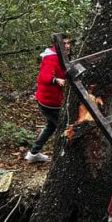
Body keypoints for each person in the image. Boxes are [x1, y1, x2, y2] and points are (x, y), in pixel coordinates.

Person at [25, 35, 70, 163]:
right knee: (65, 128)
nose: (66, 46)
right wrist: (56, 80)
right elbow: (43, 76)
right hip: (50, 103)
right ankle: (62, 157)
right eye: (64, 43)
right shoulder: (51, 57)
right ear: (55, 45)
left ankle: (33, 154)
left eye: (68, 43)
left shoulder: (60, 56)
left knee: (51, 126)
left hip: (47, 101)